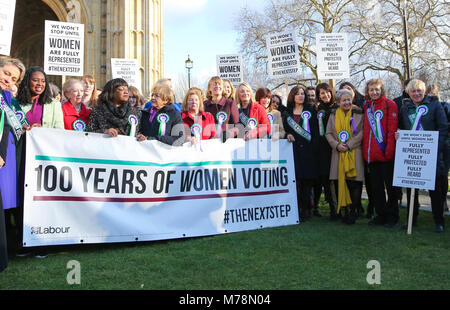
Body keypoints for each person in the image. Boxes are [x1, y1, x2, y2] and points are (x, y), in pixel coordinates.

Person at [398, 79, 447, 233]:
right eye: (413, 91)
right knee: (412, 190)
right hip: (412, 154)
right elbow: (401, 127)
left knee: (436, 192)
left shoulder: (434, 105)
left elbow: (444, 127)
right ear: (409, 93)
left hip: (432, 155)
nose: (417, 93)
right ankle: (412, 220)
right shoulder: (405, 108)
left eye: (419, 90)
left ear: (424, 91)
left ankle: (439, 221)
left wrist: (435, 148)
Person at [0, 56, 26, 270]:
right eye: (6, 73)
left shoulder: (5, 98)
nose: (9, 80)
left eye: (14, 78)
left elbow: (7, 126)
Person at [362, 78, 399, 228]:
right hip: (372, 156)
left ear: (381, 90)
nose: (374, 92)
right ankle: (381, 215)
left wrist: (389, 151)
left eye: (377, 89)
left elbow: (392, 130)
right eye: (371, 90)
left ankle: (392, 216)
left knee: (390, 188)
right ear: (368, 92)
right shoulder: (367, 106)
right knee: (376, 188)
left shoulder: (390, 105)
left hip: (386, 154)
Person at [326, 89, 364, 224]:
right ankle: (345, 210)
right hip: (338, 153)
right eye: (344, 100)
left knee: (355, 183)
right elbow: (328, 133)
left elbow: (362, 132)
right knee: (340, 183)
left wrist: (349, 144)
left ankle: (353, 211)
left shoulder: (359, 112)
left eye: (349, 99)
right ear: (338, 102)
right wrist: (336, 145)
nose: (347, 102)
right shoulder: (333, 115)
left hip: (354, 152)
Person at [282, 86, 319, 221]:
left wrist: (314, 149)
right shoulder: (287, 113)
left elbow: (315, 132)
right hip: (293, 151)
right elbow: (284, 130)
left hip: (308, 151)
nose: (301, 96)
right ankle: (296, 209)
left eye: (303, 93)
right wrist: (287, 134)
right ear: (292, 96)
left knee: (307, 183)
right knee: (296, 182)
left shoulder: (311, 111)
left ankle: (307, 210)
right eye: (297, 94)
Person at [339, 81, 373, 217]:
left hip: (358, 150)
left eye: (348, 89)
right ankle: (350, 208)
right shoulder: (336, 113)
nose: (346, 93)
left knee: (360, 180)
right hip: (342, 151)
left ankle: (364, 208)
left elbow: (363, 130)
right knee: (347, 181)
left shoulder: (362, 108)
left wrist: (350, 144)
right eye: (343, 91)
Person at [313, 83, 337, 218]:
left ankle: (341, 208)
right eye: (322, 93)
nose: (325, 95)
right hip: (322, 150)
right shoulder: (317, 110)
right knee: (326, 180)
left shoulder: (337, 107)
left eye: (327, 92)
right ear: (318, 96)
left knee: (336, 180)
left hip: (336, 147)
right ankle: (333, 209)